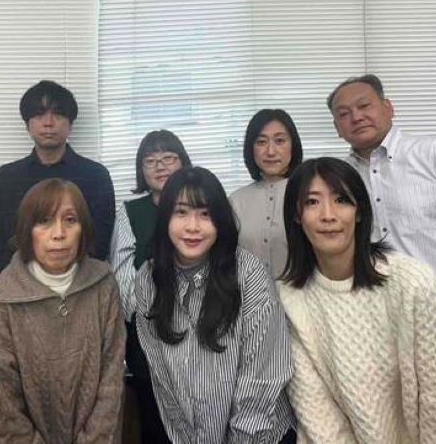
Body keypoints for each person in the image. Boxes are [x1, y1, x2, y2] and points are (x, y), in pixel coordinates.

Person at [278, 157, 436, 443]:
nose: (328, 215)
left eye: (341, 200)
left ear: (359, 212)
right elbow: (319, 417)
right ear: (296, 215)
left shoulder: (413, 283)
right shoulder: (289, 300)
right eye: (312, 202)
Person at [327, 74, 436, 371]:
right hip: (381, 318)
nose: (356, 117)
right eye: (344, 114)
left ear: (388, 108)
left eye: (364, 106)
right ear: (337, 128)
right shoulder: (339, 178)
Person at [0, 179, 126, 443]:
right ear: (27, 230)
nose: (59, 234)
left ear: (84, 229)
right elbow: (0, 404)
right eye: (44, 221)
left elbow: (111, 379)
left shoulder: (103, 284)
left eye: (70, 220)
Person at [135, 166, 294, 444]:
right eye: (181, 212)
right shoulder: (149, 278)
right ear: (165, 218)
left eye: (205, 214)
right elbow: (161, 375)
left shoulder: (248, 274)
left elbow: (262, 379)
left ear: (220, 220)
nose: (193, 227)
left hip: (258, 437)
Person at [0, 80, 115, 272]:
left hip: (80, 281)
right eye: (39, 114)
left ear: (70, 124)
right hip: (17, 281)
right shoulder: (3, 179)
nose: (48, 122)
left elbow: (100, 241)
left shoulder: (96, 176)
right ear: (27, 124)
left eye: (58, 114)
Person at [110, 129, 192, 444]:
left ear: (183, 162)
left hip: (198, 333)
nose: (160, 166)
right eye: (150, 161)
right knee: (155, 423)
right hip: (147, 337)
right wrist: (152, 314)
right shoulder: (130, 211)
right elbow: (122, 274)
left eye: (168, 158)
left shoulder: (202, 203)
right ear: (141, 170)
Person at [230, 109, 303, 277]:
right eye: (261, 142)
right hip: (249, 293)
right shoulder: (236, 201)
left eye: (280, 141)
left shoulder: (309, 194)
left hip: (302, 291)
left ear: (293, 145)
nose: (271, 151)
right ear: (251, 148)